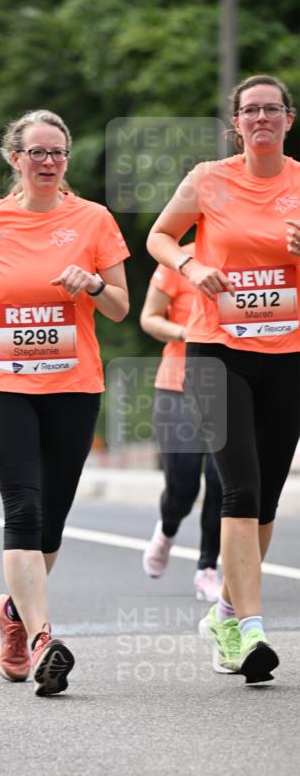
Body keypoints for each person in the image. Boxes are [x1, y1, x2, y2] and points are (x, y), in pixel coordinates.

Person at [0, 109, 129, 696]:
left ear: (67, 160)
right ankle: (45, 638)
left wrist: (93, 284)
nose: (48, 162)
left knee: (51, 520)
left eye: (58, 152)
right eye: (37, 152)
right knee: (22, 507)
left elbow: (120, 306)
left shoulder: (93, 219)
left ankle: (11, 615)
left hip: (72, 386)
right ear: (14, 158)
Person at [147, 74, 300, 684]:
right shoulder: (208, 179)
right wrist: (190, 264)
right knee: (239, 489)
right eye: (250, 110)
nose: (261, 118)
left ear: (289, 119)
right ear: (235, 124)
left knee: (266, 499)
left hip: (288, 353)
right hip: (216, 352)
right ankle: (252, 630)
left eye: (272, 109)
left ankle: (226, 616)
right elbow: (160, 236)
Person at [139, 241, 223, 601]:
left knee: (222, 482)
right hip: (178, 383)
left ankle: (207, 568)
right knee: (183, 485)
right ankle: (167, 529)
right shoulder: (179, 257)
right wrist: (185, 333)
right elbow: (149, 317)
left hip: (231, 385)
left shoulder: (250, 251)